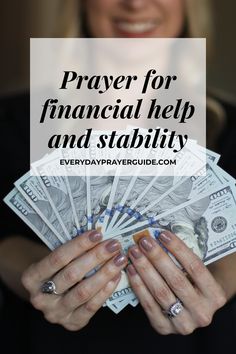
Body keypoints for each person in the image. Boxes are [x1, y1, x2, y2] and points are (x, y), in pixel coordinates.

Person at [1, 1, 236, 354]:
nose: (136, 3)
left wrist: (223, 278)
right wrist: (28, 269)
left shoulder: (231, 128)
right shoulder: (9, 122)